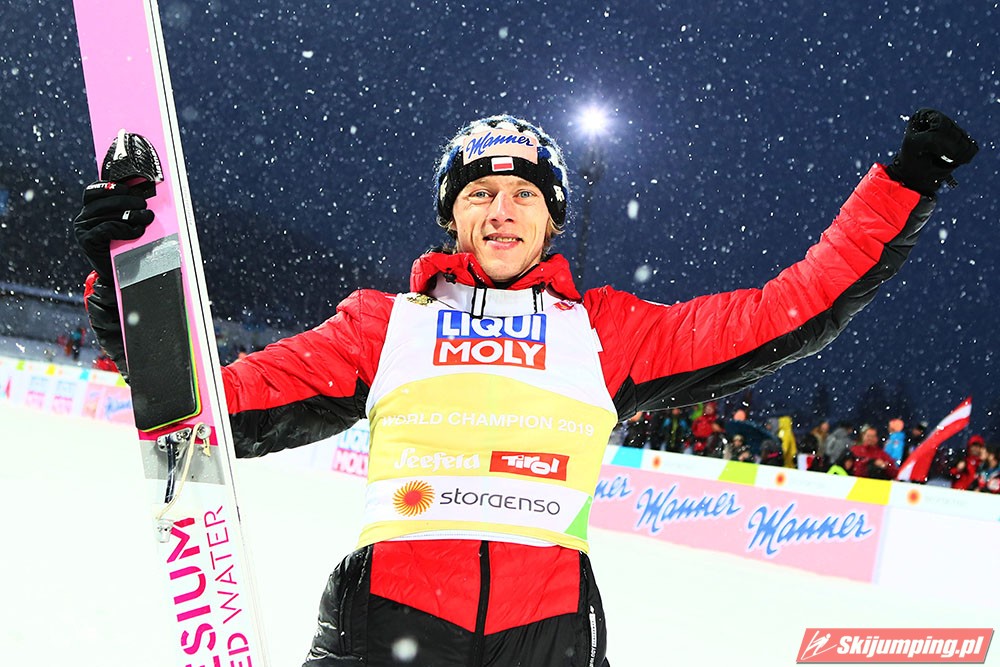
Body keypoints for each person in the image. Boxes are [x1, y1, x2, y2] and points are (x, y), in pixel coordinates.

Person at [72, 110, 977, 666]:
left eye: (523, 195)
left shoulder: (610, 333)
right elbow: (201, 406)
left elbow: (789, 308)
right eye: (478, 194)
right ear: (452, 215)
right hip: (388, 626)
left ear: (551, 219)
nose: (500, 210)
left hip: (548, 636)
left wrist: (899, 190)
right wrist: (125, 274)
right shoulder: (384, 326)